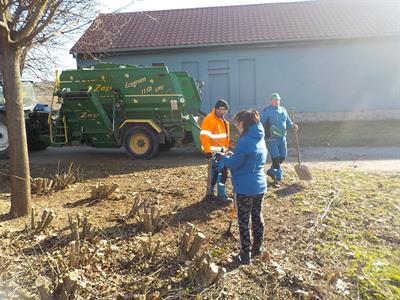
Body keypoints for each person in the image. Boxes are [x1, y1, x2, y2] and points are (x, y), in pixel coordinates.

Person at [217, 109, 267, 265]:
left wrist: (222, 158)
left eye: (237, 123)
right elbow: (247, 158)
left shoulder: (245, 140)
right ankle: (257, 248)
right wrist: (233, 155)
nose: (236, 126)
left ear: (244, 123)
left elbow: (234, 164)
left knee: (244, 221)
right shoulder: (259, 137)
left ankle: (245, 255)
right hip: (259, 185)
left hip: (245, 188)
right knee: (257, 217)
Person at [260, 93, 298, 185]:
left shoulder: (283, 110)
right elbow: (261, 124)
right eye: (274, 100)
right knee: (276, 158)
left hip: (282, 137)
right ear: (271, 101)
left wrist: (293, 126)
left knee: (282, 156)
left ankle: (272, 171)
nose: (276, 102)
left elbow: (288, 122)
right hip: (271, 138)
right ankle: (277, 177)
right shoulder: (267, 111)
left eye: (278, 100)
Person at [200, 99, 231, 200]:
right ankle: (221, 195)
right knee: (221, 173)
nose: (221, 112)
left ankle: (210, 194)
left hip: (221, 152)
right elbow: (204, 136)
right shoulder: (209, 119)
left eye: (224, 110)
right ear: (216, 108)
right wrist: (208, 151)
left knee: (216, 173)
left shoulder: (223, 121)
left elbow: (225, 138)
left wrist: (227, 149)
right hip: (214, 153)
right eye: (220, 109)